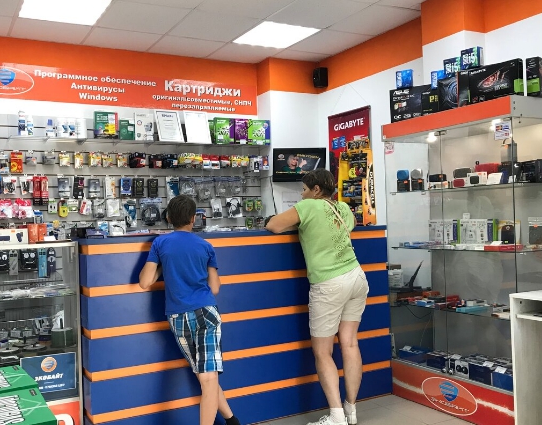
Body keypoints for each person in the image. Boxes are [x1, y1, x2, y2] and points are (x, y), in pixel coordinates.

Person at [265, 169, 369, 425]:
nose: (301, 194)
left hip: (329, 283)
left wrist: (299, 223)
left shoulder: (308, 206)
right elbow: (351, 226)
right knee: (350, 344)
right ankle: (351, 410)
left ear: (316, 190)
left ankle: (336, 416)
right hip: (356, 277)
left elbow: (273, 225)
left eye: (303, 189)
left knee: (323, 352)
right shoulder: (343, 207)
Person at [139, 195, 242, 425]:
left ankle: (233, 421)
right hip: (206, 313)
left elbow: (145, 281)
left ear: (168, 218)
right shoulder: (205, 246)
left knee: (205, 377)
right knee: (208, 378)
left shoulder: (160, 244)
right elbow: (215, 287)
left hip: (178, 317)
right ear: (194, 219)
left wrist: (164, 266)